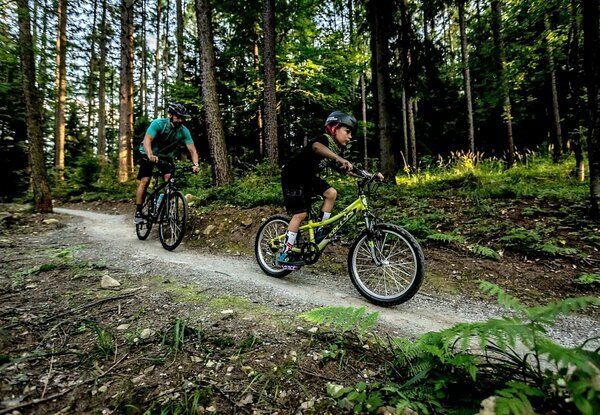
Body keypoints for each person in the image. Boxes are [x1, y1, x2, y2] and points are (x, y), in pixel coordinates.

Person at [278, 111, 383, 270]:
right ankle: (285, 254)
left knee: (331, 193)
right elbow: (316, 147)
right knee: (300, 214)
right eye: (347, 131)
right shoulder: (324, 140)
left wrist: (370, 175)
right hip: (293, 176)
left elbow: (346, 169)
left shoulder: (335, 150)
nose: (350, 137)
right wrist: (338, 158)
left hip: (308, 178)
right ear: (334, 128)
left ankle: (320, 230)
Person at [134, 103, 200, 224]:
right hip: (148, 153)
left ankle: (162, 205)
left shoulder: (184, 131)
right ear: (171, 115)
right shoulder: (158, 124)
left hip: (165, 157)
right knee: (145, 180)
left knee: (169, 180)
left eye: (182, 118)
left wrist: (196, 165)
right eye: (178, 117)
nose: (180, 120)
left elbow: (193, 150)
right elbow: (147, 140)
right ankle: (138, 212)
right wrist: (150, 155)